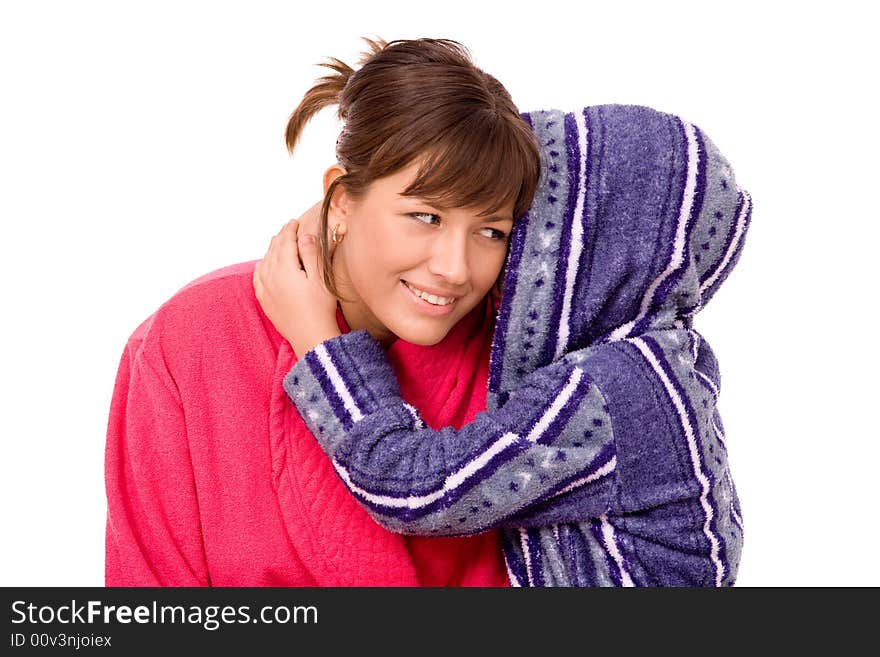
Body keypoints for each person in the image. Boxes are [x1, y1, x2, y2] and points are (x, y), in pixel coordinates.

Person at [255, 103, 753, 586]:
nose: (466, 268)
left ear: (596, 261)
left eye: (507, 233)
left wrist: (317, 339)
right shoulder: (657, 362)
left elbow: (415, 487)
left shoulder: (616, 390)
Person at [103, 37, 541, 586]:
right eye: (425, 216)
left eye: (490, 230)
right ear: (342, 199)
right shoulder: (191, 339)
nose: (456, 268)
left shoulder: (519, 353)